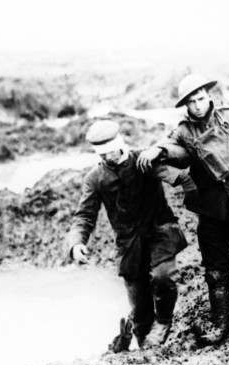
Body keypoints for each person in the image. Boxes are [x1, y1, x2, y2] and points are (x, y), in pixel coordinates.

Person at [137, 74, 229, 345]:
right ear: (185, 106)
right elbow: (163, 153)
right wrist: (177, 172)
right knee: (215, 268)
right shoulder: (183, 131)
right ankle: (220, 321)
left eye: (201, 99)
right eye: (191, 102)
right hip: (211, 209)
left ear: (209, 97)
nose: (198, 105)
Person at [67, 119, 188, 351]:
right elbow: (84, 215)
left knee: (163, 277)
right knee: (140, 305)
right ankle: (144, 349)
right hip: (129, 245)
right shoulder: (95, 178)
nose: (106, 157)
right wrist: (77, 242)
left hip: (159, 231)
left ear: (120, 142)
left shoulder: (144, 159)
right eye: (101, 154)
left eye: (110, 151)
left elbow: (181, 156)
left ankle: (163, 322)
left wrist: (160, 149)